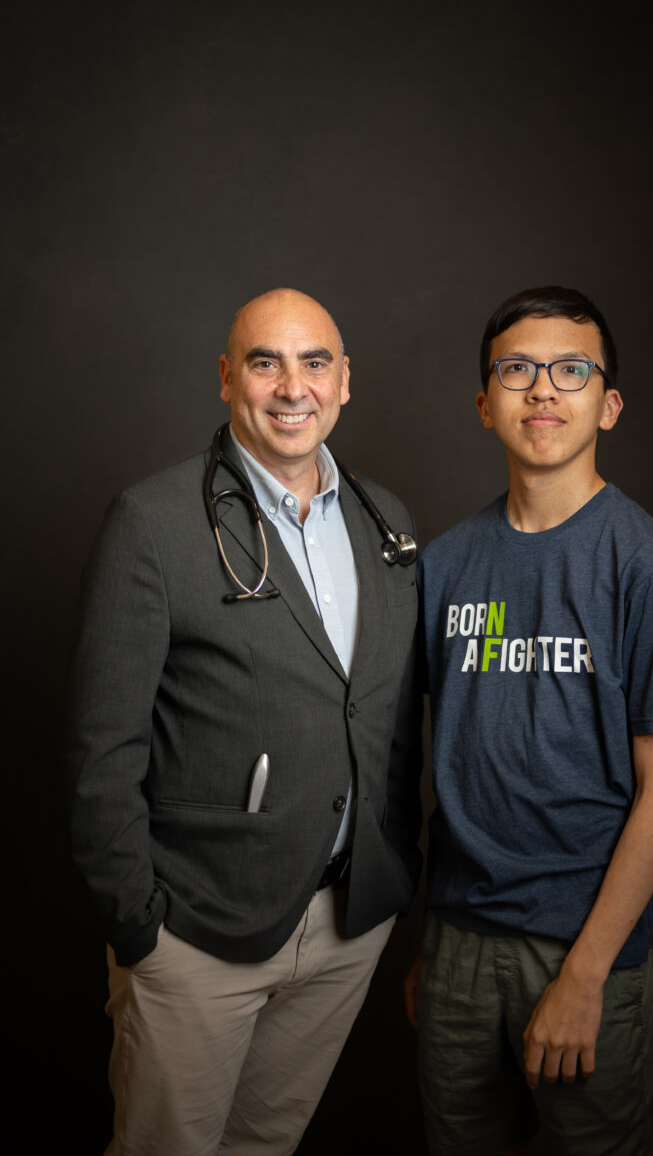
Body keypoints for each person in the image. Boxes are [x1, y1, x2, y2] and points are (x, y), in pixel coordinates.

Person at [65, 288, 422, 1156]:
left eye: (314, 363)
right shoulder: (153, 523)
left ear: (345, 382)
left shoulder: (388, 525)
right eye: (265, 362)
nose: (290, 387)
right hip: (199, 930)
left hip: (347, 925)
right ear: (228, 379)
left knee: (265, 1144)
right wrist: (139, 929)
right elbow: (100, 752)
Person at [405, 286, 653, 1156]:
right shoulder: (446, 565)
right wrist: (434, 941)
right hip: (460, 941)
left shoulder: (650, 566)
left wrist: (586, 974)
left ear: (607, 404)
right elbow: (438, 763)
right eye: (517, 370)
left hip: (584, 944)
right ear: (484, 403)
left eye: (571, 370)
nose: (543, 390)